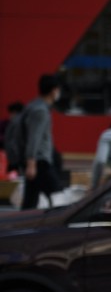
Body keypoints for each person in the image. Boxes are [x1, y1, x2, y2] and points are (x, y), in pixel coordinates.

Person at [19, 74, 63, 210]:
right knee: (58, 195)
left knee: (30, 201)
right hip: (40, 162)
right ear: (53, 91)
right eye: (58, 89)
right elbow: (34, 137)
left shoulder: (34, 105)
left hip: (36, 161)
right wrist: (31, 164)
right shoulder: (40, 111)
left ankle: (23, 222)